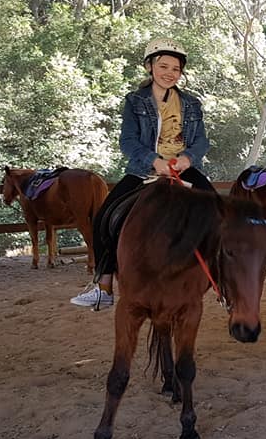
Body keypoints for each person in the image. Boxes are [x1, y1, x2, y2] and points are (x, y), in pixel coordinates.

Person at [71, 37, 215, 309]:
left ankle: (223, 277)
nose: (169, 73)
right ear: (149, 67)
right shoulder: (134, 101)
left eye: (175, 68)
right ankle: (103, 287)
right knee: (104, 217)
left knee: (218, 212)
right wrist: (153, 160)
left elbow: (202, 141)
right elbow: (127, 141)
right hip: (143, 171)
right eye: (163, 66)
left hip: (185, 167)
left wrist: (187, 158)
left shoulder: (192, 103)